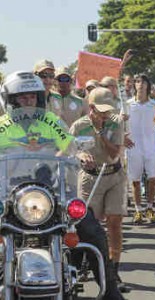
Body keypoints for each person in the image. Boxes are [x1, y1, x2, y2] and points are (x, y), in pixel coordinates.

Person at [0, 71, 124, 299]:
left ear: (39, 98)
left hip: (51, 191)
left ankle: (110, 291)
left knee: (91, 228)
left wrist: (79, 155)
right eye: (22, 97)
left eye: (32, 97)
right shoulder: (3, 126)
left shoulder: (52, 122)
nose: (28, 101)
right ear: (11, 100)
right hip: (9, 195)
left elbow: (69, 147)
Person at [70, 87, 128, 292]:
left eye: (108, 110)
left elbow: (114, 155)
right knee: (86, 225)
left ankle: (113, 271)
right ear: (91, 107)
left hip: (114, 174)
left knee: (114, 222)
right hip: (89, 178)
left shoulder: (117, 122)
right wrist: (81, 156)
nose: (106, 114)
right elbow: (70, 149)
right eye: (101, 110)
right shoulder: (78, 126)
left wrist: (101, 133)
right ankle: (78, 267)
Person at [126, 74, 155, 224]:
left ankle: (149, 207)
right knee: (135, 181)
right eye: (137, 81)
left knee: (153, 179)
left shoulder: (154, 105)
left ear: (148, 86)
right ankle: (138, 210)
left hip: (151, 147)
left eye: (144, 82)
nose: (141, 84)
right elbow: (121, 125)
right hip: (133, 147)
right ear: (134, 85)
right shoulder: (128, 104)